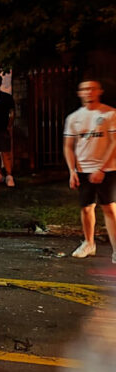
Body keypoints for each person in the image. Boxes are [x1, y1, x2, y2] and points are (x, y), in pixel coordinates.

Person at [63, 80, 116, 262]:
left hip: (107, 168)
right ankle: (88, 243)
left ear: (99, 91)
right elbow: (69, 146)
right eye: (85, 89)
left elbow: (114, 142)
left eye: (92, 88)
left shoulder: (110, 113)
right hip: (83, 169)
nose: (88, 92)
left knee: (109, 207)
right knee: (86, 208)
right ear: (80, 93)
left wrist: (101, 168)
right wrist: (72, 171)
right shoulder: (73, 118)